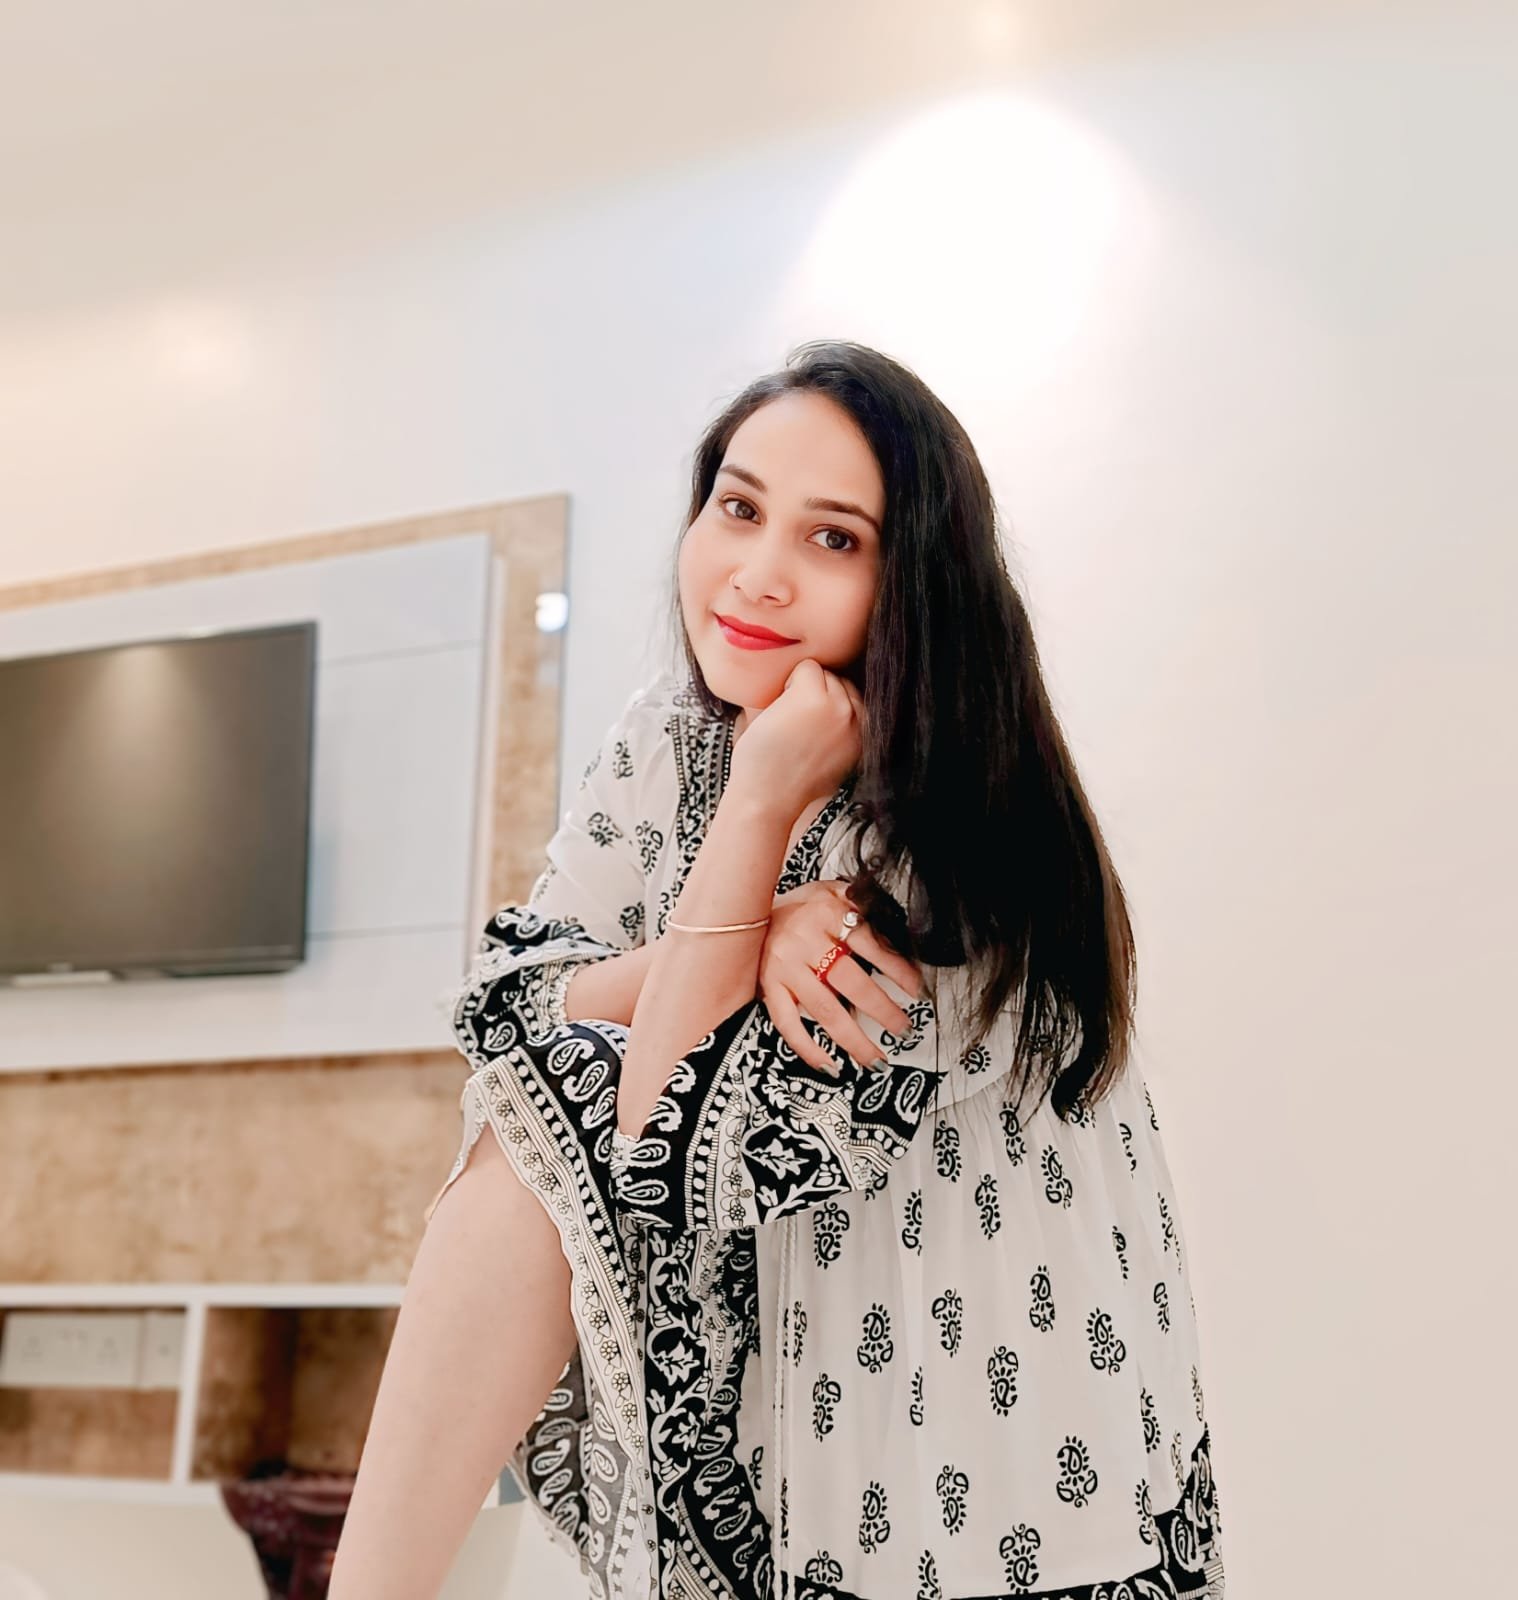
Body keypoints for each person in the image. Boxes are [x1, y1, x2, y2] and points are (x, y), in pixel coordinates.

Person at [329, 341, 1225, 1600]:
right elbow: (507, 1003)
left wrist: (756, 805)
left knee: (553, 1117)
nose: (756, 572)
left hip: (974, 1487)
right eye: (738, 508)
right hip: (779, 1427)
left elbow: (671, 1138)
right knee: (523, 1116)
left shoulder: (956, 832)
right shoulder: (665, 734)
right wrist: (749, 931)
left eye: (833, 538)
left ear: (912, 582)